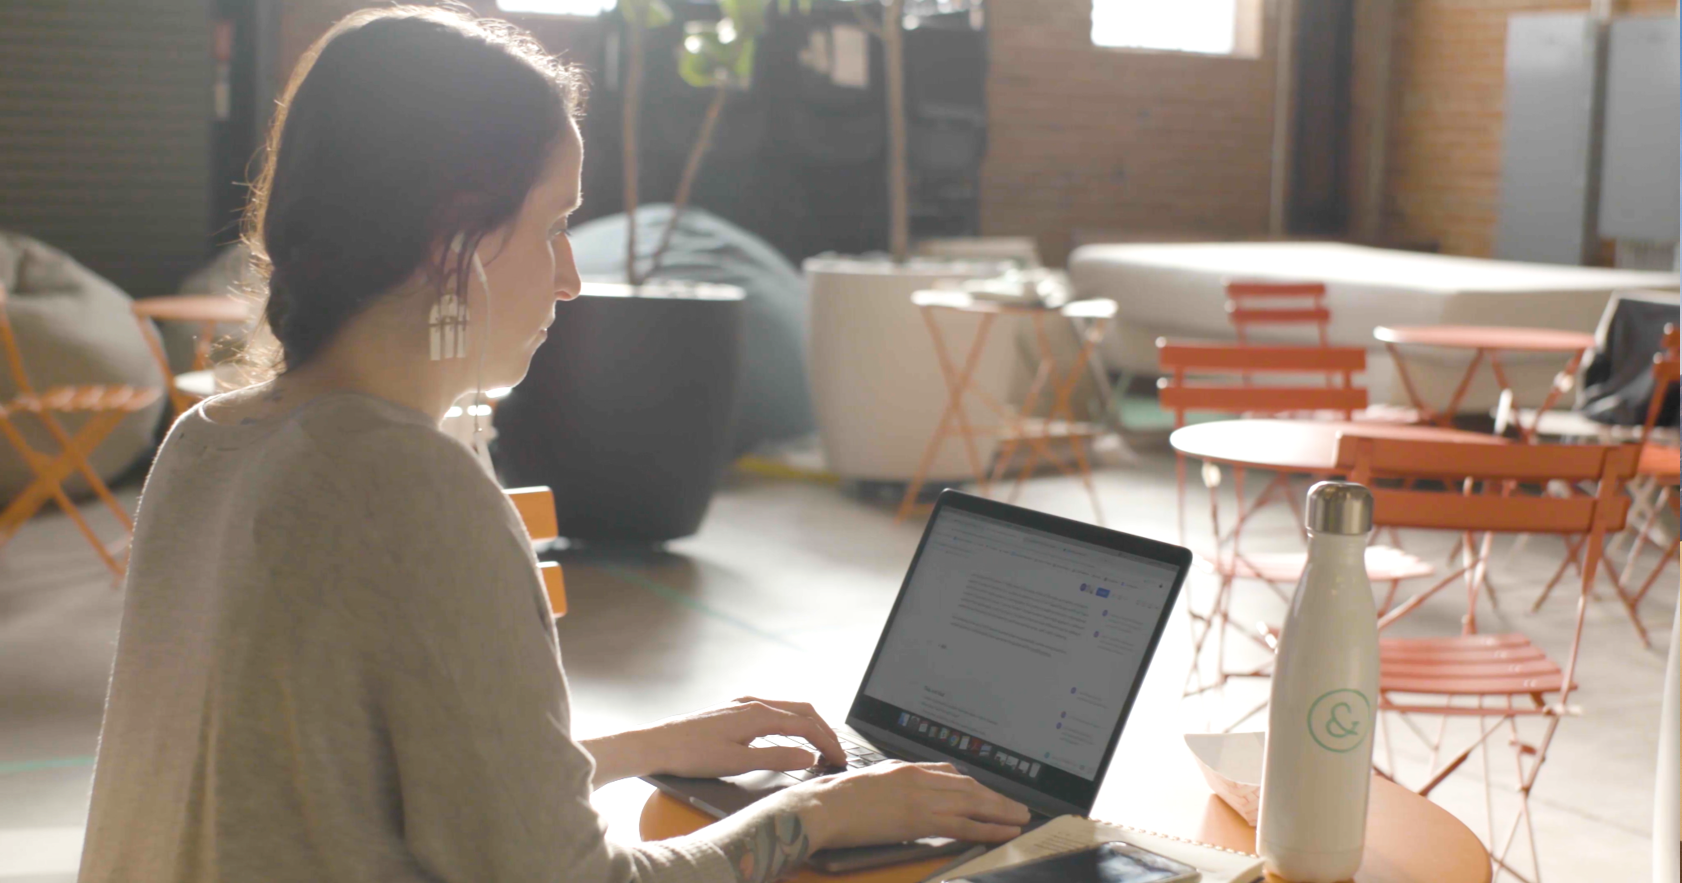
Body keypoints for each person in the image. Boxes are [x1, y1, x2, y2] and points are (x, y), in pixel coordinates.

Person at [76, 6, 1028, 883]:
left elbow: (342, 770)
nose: (571, 278)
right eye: (556, 225)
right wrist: (820, 812)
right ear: (455, 239)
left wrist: (645, 744)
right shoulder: (414, 483)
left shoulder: (207, 438)